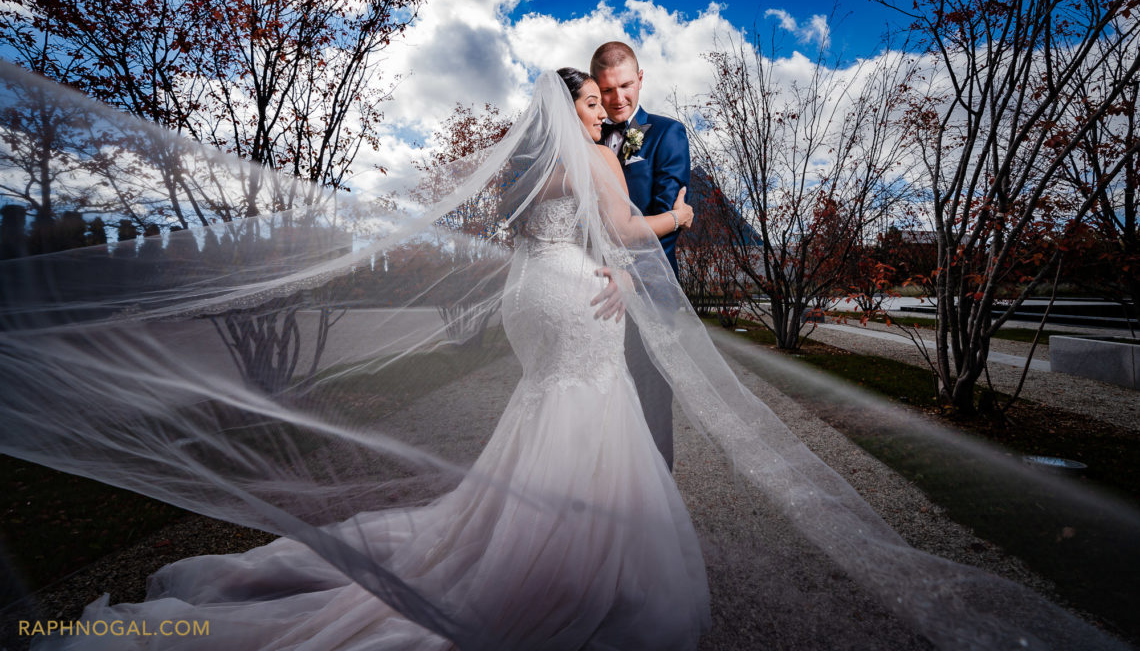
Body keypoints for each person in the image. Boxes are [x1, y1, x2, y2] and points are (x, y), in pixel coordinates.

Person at [31, 69, 711, 651]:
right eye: (591, 103)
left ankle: (540, 537)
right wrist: (674, 222)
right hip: (574, 294)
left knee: (551, 399)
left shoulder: (527, 168)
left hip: (529, 294)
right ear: (569, 113)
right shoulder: (595, 159)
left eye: (601, 102)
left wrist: (604, 262)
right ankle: (569, 563)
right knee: (588, 399)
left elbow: (550, 234)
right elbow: (621, 231)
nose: (602, 114)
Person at [590, 41, 687, 470]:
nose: (616, 99)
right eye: (607, 89)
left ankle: (659, 512)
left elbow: (666, 219)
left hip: (650, 291)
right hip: (592, 291)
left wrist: (631, 274)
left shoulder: (668, 134)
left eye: (625, 85)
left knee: (650, 401)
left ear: (640, 79)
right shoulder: (584, 138)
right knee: (596, 399)